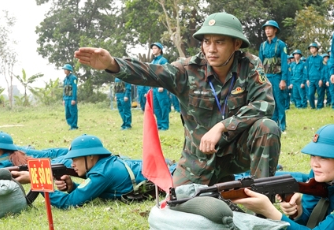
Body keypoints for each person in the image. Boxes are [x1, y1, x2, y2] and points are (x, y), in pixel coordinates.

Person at [74, 11, 280, 186]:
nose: (211, 49)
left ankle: (262, 209)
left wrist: (222, 127)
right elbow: (151, 72)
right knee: (179, 210)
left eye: (219, 42)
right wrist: (113, 64)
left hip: (235, 153)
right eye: (207, 42)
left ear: (236, 44)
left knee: (267, 127)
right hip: (198, 161)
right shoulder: (188, 69)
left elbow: (265, 103)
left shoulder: (250, 65)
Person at [12, 135, 157, 208]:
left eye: (75, 159)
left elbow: (68, 203)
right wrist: (72, 187)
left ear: (91, 157)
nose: (72, 164)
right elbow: (91, 191)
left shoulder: (102, 173)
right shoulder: (103, 166)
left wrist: (38, 180)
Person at [258, 20, 288, 132]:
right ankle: (273, 123)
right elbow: (259, 63)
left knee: (279, 101)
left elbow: (284, 63)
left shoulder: (281, 44)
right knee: (269, 101)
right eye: (266, 29)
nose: (267, 31)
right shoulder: (263, 45)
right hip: (266, 77)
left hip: (277, 77)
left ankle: (282, 125)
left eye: (270, 28)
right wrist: (260, 79)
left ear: (275, 30)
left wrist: (283, 80)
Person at [305, 42, 326, 109]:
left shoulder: (320, 58)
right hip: (311, 79)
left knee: (320, 93)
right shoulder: (308, 59)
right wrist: (307, 79)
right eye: (310, 48)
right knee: (310, 94)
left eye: (313, 48)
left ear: (316, 49)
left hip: (318, 78)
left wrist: (321, 79)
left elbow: (323, 69)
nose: (311, 49)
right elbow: (307, 69)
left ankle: (320, 106)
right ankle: (312, 106)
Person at [61, 64, 78, 130]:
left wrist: (74, 99)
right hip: (66, 98)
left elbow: (74, 88)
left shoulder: (74, 78)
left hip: (71, 98)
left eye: (65, 69)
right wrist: (63, 99)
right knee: (67, 113)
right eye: (64, 69)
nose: (64, 70)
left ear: (69, 70)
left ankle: (74, 126)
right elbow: (64, 89)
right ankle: (70, 125)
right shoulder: (65, 79)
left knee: (73, 112)